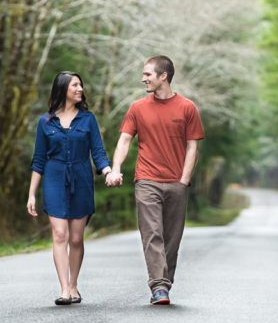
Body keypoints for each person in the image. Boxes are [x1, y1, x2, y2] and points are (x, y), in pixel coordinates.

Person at [106, 56, 204, 305]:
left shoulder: (187, 108)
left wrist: (183, 180)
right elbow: (125, 140)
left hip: (176, 182)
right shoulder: (137, 108)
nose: (143, 79)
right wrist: (115, 168)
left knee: (172, 237)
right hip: (146, 180)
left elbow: (192, 147)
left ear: (164, 76)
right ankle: (158, 286)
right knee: (152, 234)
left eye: (148, 74)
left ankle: (165, 283)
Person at [28, 71, 112, 306]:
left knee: (76, 238)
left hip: (81, 178)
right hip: (54, 179)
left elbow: (98, 151)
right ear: (63, 89)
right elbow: (38, 160)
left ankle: (74, 284)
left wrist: (107, 171)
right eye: (75, 85)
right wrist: (31, 194)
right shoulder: (46, 122)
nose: (79, 89)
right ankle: (64, 289)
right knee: (60, 234)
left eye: (80, 85)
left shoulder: (88, 119)